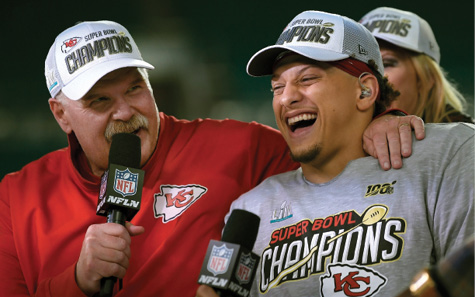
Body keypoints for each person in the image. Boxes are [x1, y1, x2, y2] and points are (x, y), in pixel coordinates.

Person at [0, 20, 423, 297]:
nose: (126, 112)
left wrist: (384, 119)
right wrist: (76, 281)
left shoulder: (237, 147)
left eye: (134, 89)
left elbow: (328, 142)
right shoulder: (16, 199)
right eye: (99, 101)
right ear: (61, 115)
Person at [196, 9, 474, 297]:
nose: (286, 98)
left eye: (307, 79)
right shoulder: (249, 210)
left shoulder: (446, 155)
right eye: (277, 87)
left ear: (365, 91)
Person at [359, 7, 474, 123]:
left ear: (427, 77)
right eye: (360, 63)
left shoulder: (465, 138)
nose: (369, 76)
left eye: (386, 64)